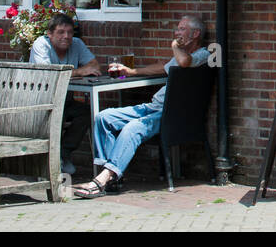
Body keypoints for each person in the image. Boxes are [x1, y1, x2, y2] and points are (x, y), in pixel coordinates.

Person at [72, 15, 210, 198]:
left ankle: (102, 180)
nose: (177, 33)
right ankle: (110, 178)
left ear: (196, 33)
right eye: (177, 29)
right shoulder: (180, 56)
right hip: (153, 107)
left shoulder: (204, 54)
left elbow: (185, 63)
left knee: (132, 128)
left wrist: (175, 46)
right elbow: (163, 68)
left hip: (170, 113)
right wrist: (131, 72)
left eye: (182, 29)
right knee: (103, 117)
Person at [29, 13, 102, 174]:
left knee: (87, 113)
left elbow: (94, 65)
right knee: (57, 114)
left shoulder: (77, 44)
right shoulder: (41, 45)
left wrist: (80, 71)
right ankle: (51, 161)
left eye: (69, 32)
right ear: (50, 34)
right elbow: (50, 74)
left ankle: (62, 155)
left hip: (65, 101)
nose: (66, 36)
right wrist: (80, 71)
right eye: (61, 32)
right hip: (42, 102)